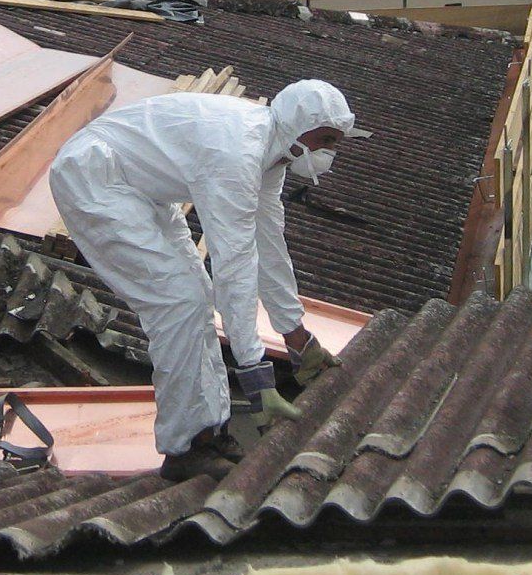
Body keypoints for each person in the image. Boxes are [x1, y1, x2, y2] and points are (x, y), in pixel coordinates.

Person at [49, 80, 362, 482]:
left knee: (198, 298)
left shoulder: (272, 153)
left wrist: (296, 333)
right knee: (180, 304)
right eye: (324, 139)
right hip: (93, 177)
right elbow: (235, 260)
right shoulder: (237, 152)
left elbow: (268, 244)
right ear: (299, 125)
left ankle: (210, 432)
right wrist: (254, 370)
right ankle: (185, 448)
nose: (327, 153)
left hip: (143, 192)